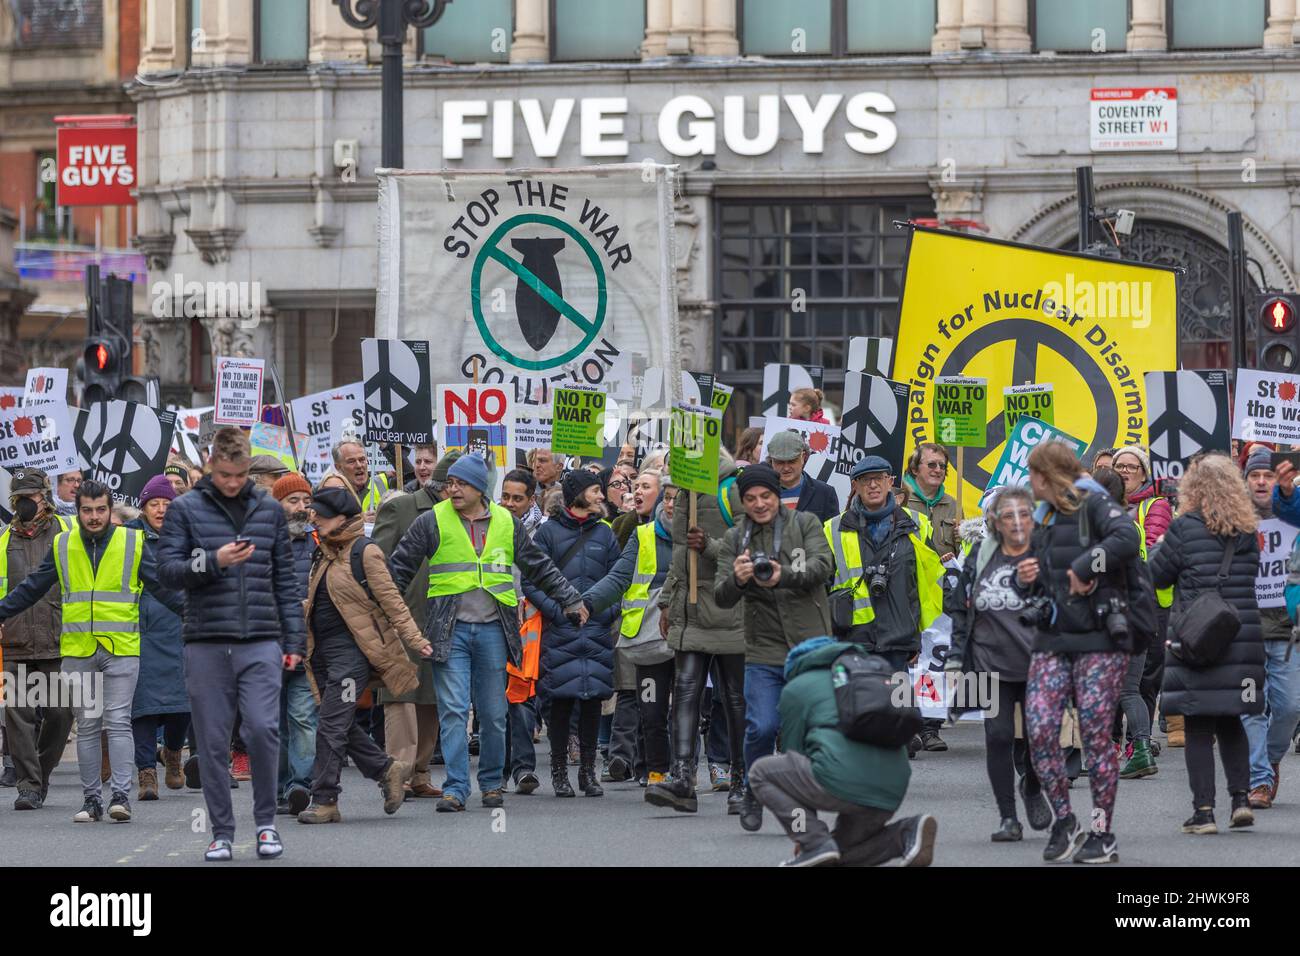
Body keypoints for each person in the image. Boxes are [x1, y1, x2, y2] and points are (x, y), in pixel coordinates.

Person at [389, 453, 586, 812]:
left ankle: (492, 783)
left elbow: (539, 567)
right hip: (449, 633)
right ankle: (456, 788)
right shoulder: (431, 521)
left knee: (494, 714)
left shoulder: (506, 524)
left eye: (460, 483)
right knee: (452, 711)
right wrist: (384, 611)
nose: (453, 489)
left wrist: (571, 599)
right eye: (450, 483)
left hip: (495, 632)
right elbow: (398, 569)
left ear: (480, 488)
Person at [155, 426, 307, 861]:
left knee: (262, 728)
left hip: (260, 638)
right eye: (224, 475)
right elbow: (167, 569)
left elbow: (285, 579)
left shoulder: (269, 510)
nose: (233, 483)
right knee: (213, 741)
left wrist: (294, 639)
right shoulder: (185, 509)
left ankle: (265, 825)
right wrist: (213, 562)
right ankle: (221, 831)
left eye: (240, 475)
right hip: (205, 640)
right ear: (209, 467)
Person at [0, 478, 184, 824]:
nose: (94, 517)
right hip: (79, 648)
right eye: (87, 510)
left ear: (110, 509)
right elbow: (31, 588)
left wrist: (196, 616)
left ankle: (119, 797)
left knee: (117, 722)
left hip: (122, 648)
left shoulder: (132, 542)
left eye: (101, 509)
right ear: (78, 510)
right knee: (86, 725)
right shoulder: (63, 545)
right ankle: (91, 800)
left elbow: (162, 588)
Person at [1020, 441, 1140, 864]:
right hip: (1052, 638)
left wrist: (1086, 566)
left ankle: (1102, 833)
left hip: (1100, 640)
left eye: (1034, 475)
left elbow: (1128, 537)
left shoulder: (1094, 503)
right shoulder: (1044, 516)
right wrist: (1025, 579)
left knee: (1094, 735)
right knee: (1038, 728)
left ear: (1049, 475)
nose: (1029, 484)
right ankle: (1065, 820)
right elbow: (1034, 578)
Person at [294, 487, 432, 823]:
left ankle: (325, 798)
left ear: (342, 518)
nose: (314, 517)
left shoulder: (364, 552)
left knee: (329, 724)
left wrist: (415, 638)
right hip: (322, 655)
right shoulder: (323, 553)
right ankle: (388, 770)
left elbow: (392, 600)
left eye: (321, 514)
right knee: (337, 721)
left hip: (353, 656)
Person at [1149, 453, 1266, 834]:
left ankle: (1203, 812)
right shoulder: (1248, 530)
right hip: (1241, 637)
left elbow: (1159, 578)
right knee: (1232, 721)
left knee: (1199, 726)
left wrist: (1162, 545)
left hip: (1197, 638)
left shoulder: (1184, 528)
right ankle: (1241, 801)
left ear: (1193, 488)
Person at [715, 461, 834, 829]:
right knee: (762, 727)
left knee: (802, 731)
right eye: (750, 498)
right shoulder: (735, 539)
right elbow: (721, 597)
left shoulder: (805, 524)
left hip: (808, 646)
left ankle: (802, 803)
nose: (759, 504)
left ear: (776, 495)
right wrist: (736, 579)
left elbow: (824, 566)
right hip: (763, 647)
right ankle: (754, 788)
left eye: (766, 495)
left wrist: (786, 576)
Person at [750, 638, 937, 867]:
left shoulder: (797, 687)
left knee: (761, 772)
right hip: (891, 790)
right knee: (837, 854)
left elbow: (794, 755)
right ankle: (905, 833)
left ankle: (816, 844)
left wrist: (806, 835)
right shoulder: (873, 675)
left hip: (841, 779)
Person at [945, 486, 1051, 842]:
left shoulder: (1044, 554)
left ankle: (1033, 787)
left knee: (1041, 740)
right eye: (1009, 516)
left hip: (1037, 663)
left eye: (1024, 514)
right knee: (999, 736)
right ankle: (1008, 818)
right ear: (995, 522)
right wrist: (956, 659)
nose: (1017, 522)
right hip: (990, 664)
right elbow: (961, 609)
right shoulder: (980, 554)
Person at [648, 448, 748, 813]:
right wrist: (667, 600)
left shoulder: (732, 490)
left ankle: (741, 781)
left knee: (734, 699)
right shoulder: (686, 493)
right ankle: (682, 778)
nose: (668, 469)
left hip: (729, 607)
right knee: (686, 691)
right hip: (689, 609)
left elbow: (746, 548)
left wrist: (708, 546)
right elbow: (679, 556)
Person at [825, 456, 945, 747]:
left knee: (897, 708)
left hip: (899, 632)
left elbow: (925, 583)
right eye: (866, 480)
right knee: (863, 706)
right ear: (855, 486)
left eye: (879, 478)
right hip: (854, 632)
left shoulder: (918, 524)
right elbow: (823, 581)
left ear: (891, 483)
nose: (874, 485)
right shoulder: (833, 528)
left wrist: (917, 635)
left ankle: (901, 746)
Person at [525, 470, 622, 796]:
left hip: (594, 629)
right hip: (562, 630)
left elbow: (618, 579)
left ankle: (588, 773)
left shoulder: (605, 534)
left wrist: (603, 612)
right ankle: (559, 772)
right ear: (578, 494)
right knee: (561, 699)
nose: (601, 496)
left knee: (594, 698)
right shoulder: (547, 534)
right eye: (596, 490)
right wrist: (557, 612)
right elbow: (530, 580)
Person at [372, 451, 457, 800]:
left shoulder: (459, 516)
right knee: (401, 696)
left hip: (441, 617)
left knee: (430, 697)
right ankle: (399, 772)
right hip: (403, 618)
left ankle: (420, 772)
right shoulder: (402, 508)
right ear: (449, 484)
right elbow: (375, 563)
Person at [587, 477, 677, 789]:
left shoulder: (701, 538)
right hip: (649, 640)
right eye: (667, 498)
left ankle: (681, 772)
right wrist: (586, 604)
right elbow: (619, 577)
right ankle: (655, 771)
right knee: (651, 709)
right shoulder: (643, 536)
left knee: (684, 710)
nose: (671, 504)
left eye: (678, 499)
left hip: (691, 637)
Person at [0, 468, 74, 810]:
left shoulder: (67, 533)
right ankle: (27, 786)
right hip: (14, 640)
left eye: (29, 498)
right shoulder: (4, 540)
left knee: (60, 713)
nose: (23, 505)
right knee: (19, 716)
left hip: (59, 637)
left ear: (45, 498)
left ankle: (41, 774)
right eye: (18, 499)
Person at [1239, 450, 1300, 809]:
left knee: (1290, 706)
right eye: (1254, 475)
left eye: (1268, 475)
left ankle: (1270, 758)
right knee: (1251, 706)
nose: (1261, 481)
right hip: (1246, 625)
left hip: (1287, 625)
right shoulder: (1233, 516)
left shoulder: (1293, 512)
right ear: (1245, 480)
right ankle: (1259, 779)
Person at [129, 476, 190, 801]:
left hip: (181, 626)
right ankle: (146, 773)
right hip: (139, 630)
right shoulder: (128, 537)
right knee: (144, 707)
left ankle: (173, 753)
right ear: (143, 507)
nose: (161, 510)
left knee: (182, 703)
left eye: (168, 504)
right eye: (155, 504)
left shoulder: (186, 537)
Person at [1112, 445, 1174, 751]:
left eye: (1130, 466)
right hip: (1117, 602)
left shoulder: (1156, 506)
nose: (1124, 471)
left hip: (1151, 603)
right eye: (1119, 466)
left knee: (1145, 678)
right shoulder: (1104, 507)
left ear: (1144, 473)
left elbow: (1152, 549)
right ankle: (1113, 740)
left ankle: (1140, 742)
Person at [271, 472, 318, 815]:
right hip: (267, 647)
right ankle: (277, 785)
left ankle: (300, 784)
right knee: (272, 721)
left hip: (306, 646)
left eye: (306, 500)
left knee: (302, 716)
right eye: (293, 501)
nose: (302, 508)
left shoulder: (319, 543)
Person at [499, 468, 545, 793]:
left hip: (529, 622)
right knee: (496, 699)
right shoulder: (489, 527)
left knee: (522, 697)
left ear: (532, 499)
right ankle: (498, 771)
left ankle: (524, 768)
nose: (510, 503)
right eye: (505, 496)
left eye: (518, 498)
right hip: (494, 620)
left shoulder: (542, 532)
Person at [764, 430, 840, 524]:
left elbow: (833, 534)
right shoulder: (760, 492)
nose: (786, 468)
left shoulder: (825, 493)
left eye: (792, 461)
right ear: (771, 460)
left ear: (803, 457)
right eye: (780, 462)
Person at [903, 443, 961, 562]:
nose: (938, 470)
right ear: (914, 469)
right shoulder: (900, 500)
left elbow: (962, 555)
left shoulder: (953, 505)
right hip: (909, 578)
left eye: (942, 466)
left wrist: (963, 539)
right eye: (932, 465)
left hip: (944, 578)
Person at [331, 440, 389, 518]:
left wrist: (386, 447)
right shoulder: (331, 494)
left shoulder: (385, 482)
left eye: (362, 460)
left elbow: (408, 476)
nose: (359, 465)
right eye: (351, 461)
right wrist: (359, 522)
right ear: (338, 467)